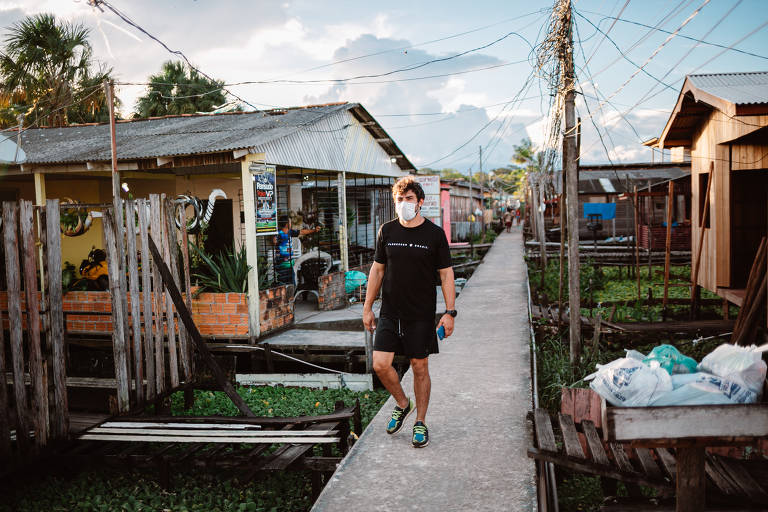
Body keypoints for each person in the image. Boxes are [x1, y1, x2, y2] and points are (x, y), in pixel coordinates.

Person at [363, 176, 456, 448]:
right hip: (390, 311)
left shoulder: (434, 234)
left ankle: (421, 422)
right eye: (400, 199)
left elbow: (446, 275)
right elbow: (377, 270)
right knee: (380, 364)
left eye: (409, 199)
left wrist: (450, 312)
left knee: (419, 367)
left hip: (421, 313)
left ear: (420, 203)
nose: (404, 204)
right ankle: (403, 404)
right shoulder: (387, 231)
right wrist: (368, 307)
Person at [273, 215, 320, 286]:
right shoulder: (279, 234)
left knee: (292, 283)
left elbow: (301, 232)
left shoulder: (290, 232)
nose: (291, 223)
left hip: (290, 264)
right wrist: (274, 240)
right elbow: (274, 241)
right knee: (282, 284)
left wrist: (314, 230)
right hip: (281, 264)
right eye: (290, 222)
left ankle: (291, 295)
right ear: (287, 224)